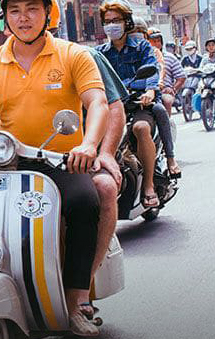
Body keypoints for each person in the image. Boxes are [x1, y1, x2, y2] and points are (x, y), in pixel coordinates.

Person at [0, 0, 109, 334]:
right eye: (14, 10)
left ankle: (76, 303)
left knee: (85, 203)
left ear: (47, 14)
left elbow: (97, 103)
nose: (23, 17)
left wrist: (88, 145)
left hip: (62, 161)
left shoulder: (73, 55)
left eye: (32, 8)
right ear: (6, 16)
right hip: (9, 162)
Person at [46, 0, 128, 313]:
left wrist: (104, 151)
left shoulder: (81, 55)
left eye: (34, 11)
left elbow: (113, 106)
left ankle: (83, 288)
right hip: (28, 159)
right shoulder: (1, 62)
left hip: (79, 157)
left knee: (105, 188)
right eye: (16, 12)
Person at [97, 1, 181, 210]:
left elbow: (152, 69)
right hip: (114, 107)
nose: (111, 26)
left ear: (126, 22)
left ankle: (149, 185)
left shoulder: (143, 46)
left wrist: (150, 91)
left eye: (115, 21)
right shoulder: (99, 53)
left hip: (139, 105)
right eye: (107, 22)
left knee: (140, 128)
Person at [149, 28, 185, 116]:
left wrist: (173, 89)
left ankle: (168, 125)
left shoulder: (170, 57)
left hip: (164, 91)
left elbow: (181, 77)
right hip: (147, 91)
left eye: (158, 41)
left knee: (167, 101)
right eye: (153, 41)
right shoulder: (143, 57)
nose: (156, 44)